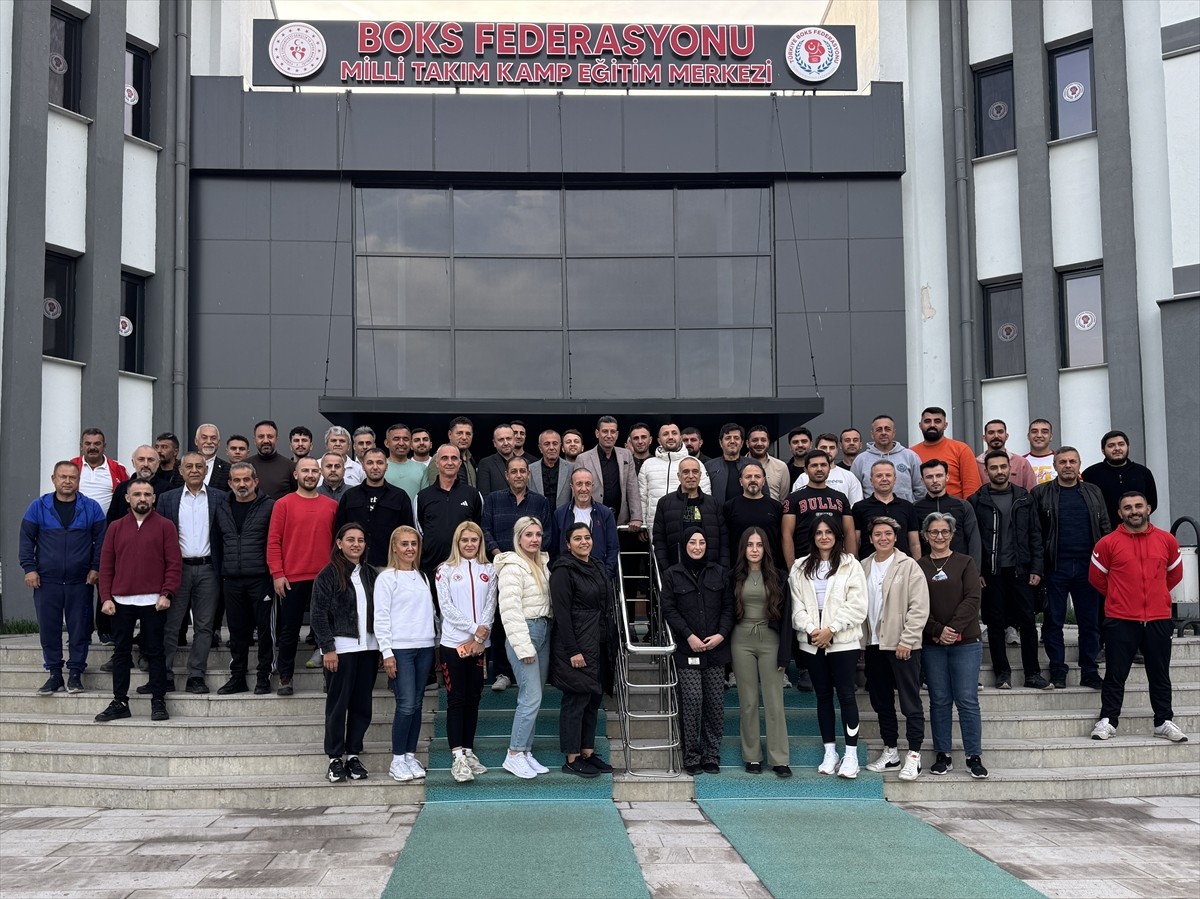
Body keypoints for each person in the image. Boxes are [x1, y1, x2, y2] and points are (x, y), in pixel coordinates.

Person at [1090, 492, 1188, 743]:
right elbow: (1097, 578)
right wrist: (1121, 597)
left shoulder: (1167, 541)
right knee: (1115, 673)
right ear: (1120, 513)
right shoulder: (1107, 543)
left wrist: (1155, 596)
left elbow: (1174, 575)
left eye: (1138, 506)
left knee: (1159, 673)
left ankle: (1163, 721)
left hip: (1157, 618)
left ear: (1148, 508)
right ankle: (1108, 721)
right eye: (1127, 508)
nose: (1134, 511)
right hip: (1120, 618)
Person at [94, 479, 181, 724]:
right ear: (127, 498)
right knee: (121, 653)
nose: (142, 498)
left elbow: (174, 564)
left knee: (155, 651)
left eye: (147, 494)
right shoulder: (116, 527)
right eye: (137, 494)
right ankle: (120, 701)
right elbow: (106, 565)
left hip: (154, 601)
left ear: (154, 498)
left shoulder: (166, 526)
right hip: (121, 601)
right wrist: (106, 597)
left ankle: (158, 699)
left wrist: (167, 593)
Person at [789, 517, 867, 779]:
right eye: (819, 532)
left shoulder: (850, 565)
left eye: (828, 532)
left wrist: (831, 629)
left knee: (846, 695)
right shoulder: (799, 567)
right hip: (812, 643)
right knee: (822, 696)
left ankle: (851, 755)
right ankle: (830, 751)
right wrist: (813, 631)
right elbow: (796, 607)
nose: (824, 536)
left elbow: (857, 605)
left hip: (842, 641)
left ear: (836, 535)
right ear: (812, 536)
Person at [20, 461, 105, 695]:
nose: (67, 481)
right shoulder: (38, 507)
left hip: (81, 581)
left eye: (72, 477)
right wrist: (29, 568)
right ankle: (55, 673)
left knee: (79, 629)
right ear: (53, 479)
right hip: (47, 581)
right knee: (49, 628)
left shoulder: (91, 508)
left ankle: (76, 673)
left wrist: (96, 568)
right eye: (62, 477)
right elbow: (27, 540)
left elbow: (102, 542)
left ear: (78, 481)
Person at [969, 450, 1049, 690]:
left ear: (1010, 469)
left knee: (1027, 622)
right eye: (994, 468)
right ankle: (1002, 674)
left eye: (1003, 467)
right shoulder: (977, 500)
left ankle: (1032, 674)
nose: (999, 472)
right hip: (991, 573)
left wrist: (1036, 567)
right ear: (987, 471)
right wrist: (978, 572)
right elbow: (974, 540)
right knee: (995, 624)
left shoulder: (1024, 498)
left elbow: (1036, 535)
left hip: (1020, 570)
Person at [1032, 447, 1111, 689]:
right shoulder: (1041, 493)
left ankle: (1089, 669)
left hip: (1089, 567)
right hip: (1056, 567)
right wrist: (1038, 567)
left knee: (1089, 622)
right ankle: (1057, 669)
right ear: (1055, 466)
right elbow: (1035, 534)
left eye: (1072, 461)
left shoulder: (1093, 491)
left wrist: (1108, 563)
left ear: (1079, 465)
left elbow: (1105, 526)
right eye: (1063, 461)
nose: (1068, 465)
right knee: (1053, 621)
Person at [917, 512, 989, 778]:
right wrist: (937, 630)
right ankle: (943, 754)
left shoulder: (965, 562)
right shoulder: (919, 566)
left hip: (966, 642)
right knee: (939, 700)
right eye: (934, 532)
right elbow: (917, 604)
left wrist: (953, 629)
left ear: (952, 534)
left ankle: (974, 755)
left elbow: (972, 598)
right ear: (925, 536)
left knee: (968, 700)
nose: (939, 536)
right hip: (933, 644)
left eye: (944, 532)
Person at [659, 528, 734, 775]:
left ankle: (711, 755)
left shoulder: (719, 573)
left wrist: (721, 634)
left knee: (714, 703)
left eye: (702, 542)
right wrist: (688, 636)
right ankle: (691, 756)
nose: (697, 547)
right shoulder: (672, 575)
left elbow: (729, 607)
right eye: (692, 542)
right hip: (687, 649)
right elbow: (668, 609)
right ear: (685, 545)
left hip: (716, 651)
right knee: (691, 701)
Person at [861, 517, 929, 781]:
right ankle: (891, 751)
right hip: (875, 644)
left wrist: (907, 640)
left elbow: (919, 606)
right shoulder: (864, 566)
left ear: (895, 537)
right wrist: (862, 642)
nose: (883, 538)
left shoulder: (908, 565)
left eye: (888, 534)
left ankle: (914, 755)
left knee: (910, 702)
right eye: (877, 534)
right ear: (870, 539)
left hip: (902, 645)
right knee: (881, 701)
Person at [311, 524, 381, 783]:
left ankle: (353, 753)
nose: (356, 544)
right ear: (339, 543)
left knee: (362, 705)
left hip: (369, 649)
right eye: (350, 539)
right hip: (341, 649)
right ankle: (334, 758)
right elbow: (318, 614)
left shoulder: (372, 574)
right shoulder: (328, 574)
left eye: (361, 540)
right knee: (338, 704)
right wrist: (327, 648)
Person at [155, 453, 226, 695]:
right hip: (178, 570)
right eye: (189, 466)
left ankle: (196, 675)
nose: (195, 470)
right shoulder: (167, 499)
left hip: (209, 570)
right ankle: (164, 674)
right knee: (171, 625)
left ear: (206, 471)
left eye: (199, 466)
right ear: (180, 471)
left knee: (205, 627)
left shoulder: (220, 498)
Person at [266, 457, 338, 695]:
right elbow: (273, 541)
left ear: (320, 475)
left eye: (314, 471)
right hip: (292, 577)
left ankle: (331, 678)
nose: (310, 474)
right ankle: (285, 677)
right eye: (305, 471)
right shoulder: (283, 504)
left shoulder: (331, 505)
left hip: (325, 578)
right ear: (296, 475)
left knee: (327, 630)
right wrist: (277, 573)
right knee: (289, 630)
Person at [550, 522, 615, 778]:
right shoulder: (563, 570)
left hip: (598, 642)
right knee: (575, 701)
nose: (584, 542)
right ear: (568, 544)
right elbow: (562, 615)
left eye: (587, 537)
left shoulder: (597, 565)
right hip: (576, 646)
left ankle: (587, 752)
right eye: (577, 539)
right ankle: (572, 757)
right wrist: (573, 650)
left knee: (592, 700)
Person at [729, 528, 792, 777]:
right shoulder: (733, 577)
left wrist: (785, 654)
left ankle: (779, 758)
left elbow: (787, 619)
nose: (754, 549)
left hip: (771, 639)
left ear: (766, 548)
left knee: (774, 701)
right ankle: (752, 756)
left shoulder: (779, 577)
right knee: (748, 701)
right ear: (743, 548)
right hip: (741, 640)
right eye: (749, 545)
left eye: (759, 545)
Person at [375, 526, 436, 782]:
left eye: (413, 543)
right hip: (400, 649)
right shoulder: (387, 578)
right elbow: (381, 617)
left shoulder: (423, 577)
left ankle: (410, 755)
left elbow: (430, 614)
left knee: (418, 703)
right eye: (404, 544)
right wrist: (386, 652)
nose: (410, 548)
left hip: (425, 646)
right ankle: (397, 759)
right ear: (394, 547)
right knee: (406, 704)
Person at [436, 521, 496, 783]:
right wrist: (475, 629)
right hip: (453, 645)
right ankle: (457, 756)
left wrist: (482, 635)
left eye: (474, 540)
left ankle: (469, 751)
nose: (470, 544)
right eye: (465, 540)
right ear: (457, 543)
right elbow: (445, 607)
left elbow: (491, 603)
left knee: (473, 698)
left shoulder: (489, 569)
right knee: (456, 699)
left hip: (480, 645)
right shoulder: (445, 570)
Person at [496, 517, 554, 779]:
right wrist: (523, 647)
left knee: (536, 697)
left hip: (543, 630)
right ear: (518, 538)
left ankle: (526, 751)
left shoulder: (541, 563)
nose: (534, 539)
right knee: (530, 698)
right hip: (526, 634)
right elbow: (509, 610)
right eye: (528, 534)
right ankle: (514, 753)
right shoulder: (512, 566)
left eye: (538, 534)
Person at [212, 461, 276, 695]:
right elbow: (217, 543)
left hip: (261, 578)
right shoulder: (222, 506)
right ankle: (237, 677)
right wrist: (222, 573)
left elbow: (276, 543)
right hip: (232, 579)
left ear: (255, 482)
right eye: (236, 480)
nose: (242, 484)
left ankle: (263, 676)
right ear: (229, 483)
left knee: (265, 631)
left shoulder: (270, 507)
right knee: (237, 632)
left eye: (246, 479)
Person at [335, 447, 415, 569]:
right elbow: (339, 531)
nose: (375, 467)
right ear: (362, 466)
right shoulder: (350, 496)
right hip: (354, 565)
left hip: (389, 565)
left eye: (380, 462)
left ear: (386, 466)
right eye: (370, 463)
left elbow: (407, 532)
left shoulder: (400, 496)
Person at [415, 444, 483, 579]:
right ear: (437, 463)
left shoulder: (473, 495)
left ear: (459, 463)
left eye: (454, 458)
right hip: (431, 567)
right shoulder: (422, 496)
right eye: (445, 458)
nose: (450, 462)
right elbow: (419, 530)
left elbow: (477, 526)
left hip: (464, 568)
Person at [651, 456, 728, 574]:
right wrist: (666, 569)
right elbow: (659, 540)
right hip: (676, 570)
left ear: (700, 475)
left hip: (710, 571)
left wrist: (721, 569)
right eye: (686, 472)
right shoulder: (665, 503)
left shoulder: (713, 503)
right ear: (679, 476)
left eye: (695, 472)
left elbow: (723, 539)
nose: (691, 476)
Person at [781, 450, 856, 568]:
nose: (819, 469)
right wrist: (792, 568)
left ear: (829, 468)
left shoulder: (840, 498)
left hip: (836, 563)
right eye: (814, 465)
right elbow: (786, 535)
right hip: (803, 563)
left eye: (823, 465)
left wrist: (852, 565)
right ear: (805, 470)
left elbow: (849, 533)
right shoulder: (793, 498)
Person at [639, 422, 711, 533]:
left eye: (674, 433)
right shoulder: (648, 464)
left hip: (689, 527)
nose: (670, 437)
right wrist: (643, 526)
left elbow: (705, 497)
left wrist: (704, 525)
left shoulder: (695, 463)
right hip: (655, 527)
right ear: (659, 440)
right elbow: (642, 498)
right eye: (665, 434)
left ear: (680, 438)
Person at [549, 469, 620, 577]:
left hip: (598, 575)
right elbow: (553, 550)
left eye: (588, 484)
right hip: (568, 576)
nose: (584, 489)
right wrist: (559, 573)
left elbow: (613, 547)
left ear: (592, 486)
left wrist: (606, 574)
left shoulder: (605, 513)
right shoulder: (559, 514)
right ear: (572, 487)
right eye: (579, 484)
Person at [1082, 430, 1159, 527]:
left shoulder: (1143, 472)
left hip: (1136, 530)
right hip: (1103, 532)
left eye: (1121, 444)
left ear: (1128, 447)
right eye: (1111, 446)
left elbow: (1152, 503)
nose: (1117, 448)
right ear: (1103, 450)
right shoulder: (1090, 474)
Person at [576, 416, 643, 528]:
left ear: (617, 434)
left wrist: (636, 517)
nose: (609, 435)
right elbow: (577, 492)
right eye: (605, 431)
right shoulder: (583, 459)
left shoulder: (626, 455)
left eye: (612, 432)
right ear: (597, 433)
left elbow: (632, 488)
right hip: (592, 519)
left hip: (621, 520)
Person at [914, 459, 982, 568]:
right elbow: (913, 542)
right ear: (922, 480)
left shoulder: (963, 506)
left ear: (947, 477)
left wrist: (975, 571)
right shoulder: (915, 508)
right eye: (929, 477)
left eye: (939, 475)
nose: (935, 480)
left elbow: (974, 540)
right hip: (927, 569)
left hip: (960, 568)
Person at [852, 460, 922, 560]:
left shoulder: (907, 507)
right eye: (879, 476)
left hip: (902, 566)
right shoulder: (859, 507)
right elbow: (856, 542)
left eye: (888, 475)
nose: (884, 479)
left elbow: (914, 543)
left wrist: (916, 567)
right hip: (869, 567)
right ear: (871, 480)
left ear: (895, 479)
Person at [910, 407, 982, 499]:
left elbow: (972, 487)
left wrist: (966, 509)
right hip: (921, 510)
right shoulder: (911, 454)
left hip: (956, 510)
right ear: (920, 425)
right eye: (927, 421)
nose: (932, 425)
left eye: (937, 421)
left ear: (945, 425)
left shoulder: (961, 449)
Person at [850, 415, 925, 502]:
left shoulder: (910, 457)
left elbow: (921, 489)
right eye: (879, 430)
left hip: (903, 513)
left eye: (887, 429)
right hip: (871, 513)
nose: (883, 433)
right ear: (872, 434)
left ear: (894, 433)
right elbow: (854, 493)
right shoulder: (860, 460)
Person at [788, 433, 863, 505]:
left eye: (832, 448)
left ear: (837, 450)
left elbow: (855, 506)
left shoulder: (849, 476)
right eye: (823, 447)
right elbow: (795, 504)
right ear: (816, 449)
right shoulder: (803, 477)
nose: (828, 451)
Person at [72, 427, 129, 515]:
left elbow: (127, 496)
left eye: (97, 444)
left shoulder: (118, 468)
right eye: (88, 443)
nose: (92, 447)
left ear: (104, 447)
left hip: (107, 525)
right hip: (77, 524)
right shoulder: (72, 466)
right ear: (81, 447)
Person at [974, 419, 1036, 492]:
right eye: (991, 433)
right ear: (984, 438)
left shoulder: (1021, 463)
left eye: (1000, 432)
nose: (996, 436)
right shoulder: (975, 464)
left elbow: (1032, 492)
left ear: (1006, 436)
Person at [422, 416, 478, 487]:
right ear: (450, 435)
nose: (464, 437)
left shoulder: (470, 459)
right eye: (459, 433)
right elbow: (435, 491)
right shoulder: (440, 458)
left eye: (468, 434)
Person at [247, 420, 294, 499]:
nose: (266, 441)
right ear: (254, 440)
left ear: (276, 439)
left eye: (270, 436)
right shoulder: (245, 465)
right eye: (261, 436)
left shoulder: (290, 467)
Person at [744, 424, 791, 502]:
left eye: (763, 440)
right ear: (747, 443)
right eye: (755, 440)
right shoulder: (738, 465)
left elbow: (783, 500)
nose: (759, 444)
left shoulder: (781, 466)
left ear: (768, 442)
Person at [705, 422, 749, 504]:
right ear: (721, 443)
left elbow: (764, 494)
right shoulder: (709, 466)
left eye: (736, 438)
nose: (732, 441)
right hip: (718, 514)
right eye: (728, 438)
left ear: (742, 443)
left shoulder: (753, 465)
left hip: (747, 514)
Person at [530, 429, 574, 508]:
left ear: (560, 446)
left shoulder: (572, 468)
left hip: (563, 518)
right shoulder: (530, 469)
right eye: (547, 444)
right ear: (540, 448)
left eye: (555, 444)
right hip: (537, 518)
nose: (551, 447)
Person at [476, 423, 520, 497]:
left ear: (514, 440)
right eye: (501, 439)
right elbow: (485, 496)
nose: (506, 443)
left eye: (509, 438)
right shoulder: (485, 464)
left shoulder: (525, 463)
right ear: (494, 443)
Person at [194, 423, 230, 491]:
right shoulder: (181, 464)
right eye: (204, 438)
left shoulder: (228, 469)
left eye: (213, 438)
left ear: (218, 443)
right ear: (196, 441)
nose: (209, 442)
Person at [1025, 419, 1056, 485]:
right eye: (1034, 432)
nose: (1039, 435)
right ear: (1028, 436)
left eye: (1044, 432)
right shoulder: (1021, 462)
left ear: (1051, 437)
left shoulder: (1062, 460)